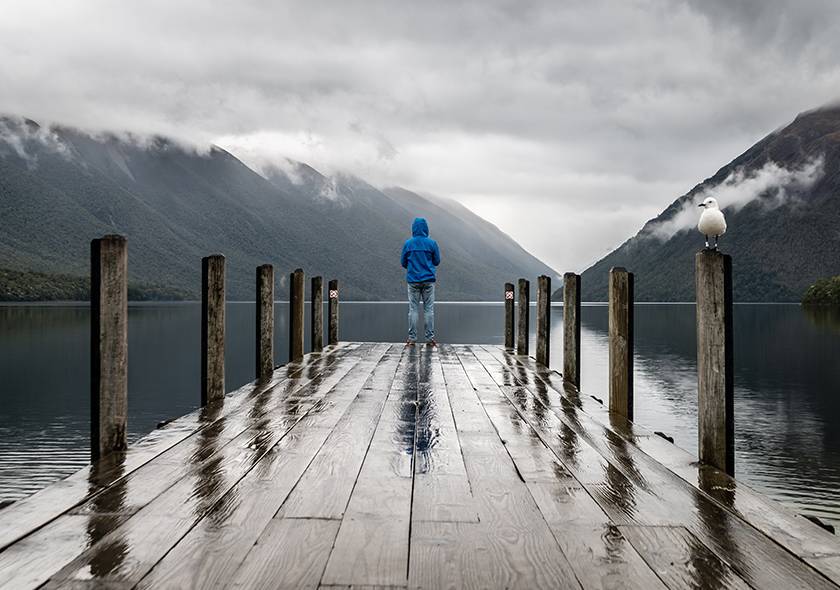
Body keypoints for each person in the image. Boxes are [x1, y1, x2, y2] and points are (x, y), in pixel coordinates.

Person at [400, 217, 441, 346]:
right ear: (426, 228)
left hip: (413, 281)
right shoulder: (432, 243)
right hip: (428, 280)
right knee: (429, 310)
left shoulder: (408, 244)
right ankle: (429, 339)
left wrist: (413, 267)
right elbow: (437, 261)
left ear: (413, 228)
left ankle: (412, 338)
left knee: (413, 309)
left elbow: (403, 262)